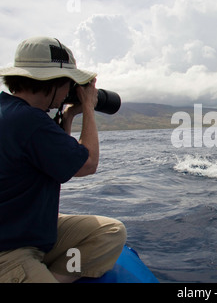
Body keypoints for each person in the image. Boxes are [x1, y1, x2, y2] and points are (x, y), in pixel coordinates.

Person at [0, 36, 126, 283]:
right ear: (53, 82)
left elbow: (56, 164)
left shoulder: (14, 114)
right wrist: (89, 107)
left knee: (110, 232)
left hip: (24, 230)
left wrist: (67, 117)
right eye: (69, 82)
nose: (70, 90)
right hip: (10, 251)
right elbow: (87, 164)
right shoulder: (30, 122)